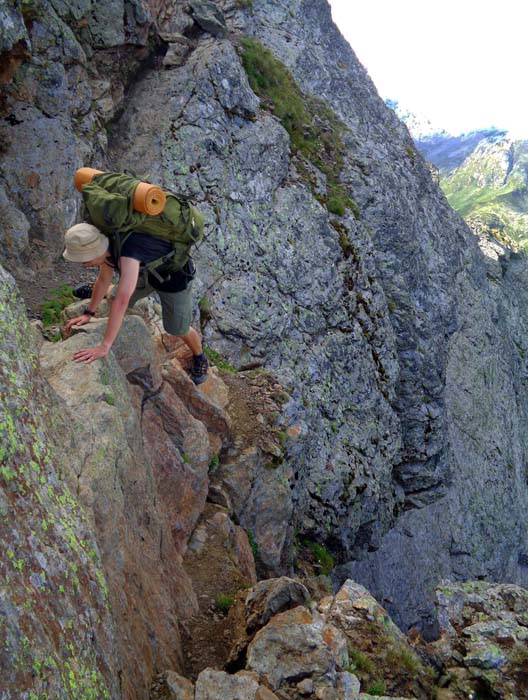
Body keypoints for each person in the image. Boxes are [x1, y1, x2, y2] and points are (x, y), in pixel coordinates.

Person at [62, 222, 209, 385]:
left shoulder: (129, 252)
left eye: (84, 259)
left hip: (173, 279)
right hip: (145, 271)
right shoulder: (108, 240)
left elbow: (122, 301)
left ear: (95, 249)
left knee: (177, 329)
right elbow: (104, 278)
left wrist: (104, 346)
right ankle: (108, 291)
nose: (83, 264)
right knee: (113, 296)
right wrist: (88, 313)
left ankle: (199, 356)